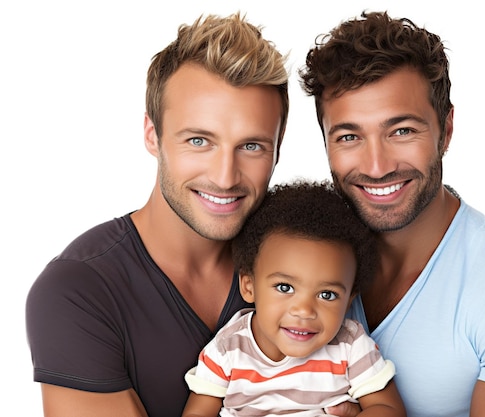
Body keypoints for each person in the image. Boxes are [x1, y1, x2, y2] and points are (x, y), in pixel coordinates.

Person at [299, 11, 485, 417]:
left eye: (402, 131)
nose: (377, 166)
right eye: (349, 136)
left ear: (445, 130)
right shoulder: (294, 256)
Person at [25, 12, 289, 417]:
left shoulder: (306, 257)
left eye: (251, 146)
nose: (225, 176)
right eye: (199, 140)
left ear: (278, 146)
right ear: (153, 134)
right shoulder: (80, 291)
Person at [181, 180, 406, 417]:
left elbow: (388, 409)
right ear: (249, 286)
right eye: (285, 287)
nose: (304, 310)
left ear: (349, 300)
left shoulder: (350, 345)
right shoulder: (227, 349)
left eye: (327, 295)